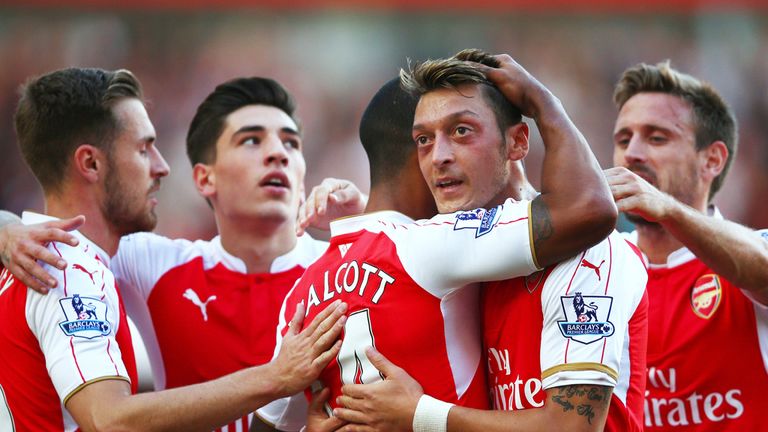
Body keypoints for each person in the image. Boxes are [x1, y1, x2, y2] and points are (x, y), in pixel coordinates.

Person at [259, 51, 618, 431]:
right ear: (414, 156)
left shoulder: (299, 295)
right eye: (425, 140)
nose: (441, 156)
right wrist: (543, 102)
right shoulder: (436, 244)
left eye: (460, 132)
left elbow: (265, 421)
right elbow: (588, 209)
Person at [0, 76, 366, 431]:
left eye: (291, 144)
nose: (277, 154)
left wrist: (369, 216)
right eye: (252, 141)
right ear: (205, 179)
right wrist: (7, 230)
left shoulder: (348, 269)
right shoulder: (130, 262)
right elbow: (110, 418)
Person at [604, 61, 768, 431]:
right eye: (623, 139)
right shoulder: (601, 267)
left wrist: (667, 209)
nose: (632, 154)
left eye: (657, 137)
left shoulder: (749, 254)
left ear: (712, 160)